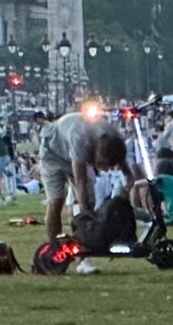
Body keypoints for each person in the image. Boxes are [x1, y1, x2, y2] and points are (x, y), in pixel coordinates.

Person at [37, 110, 128, 275]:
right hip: (53, 155)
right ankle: (55, 253)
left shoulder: (113, 138)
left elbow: (128, 172)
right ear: (97, 153)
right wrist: (86, 214)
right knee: (57, 201)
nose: (105, 169)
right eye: (102, 164)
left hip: (73, 149)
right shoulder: (80, 140)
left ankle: (84, 259)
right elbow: (80, 181)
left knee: (90, 201)